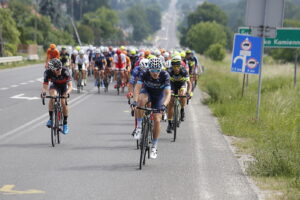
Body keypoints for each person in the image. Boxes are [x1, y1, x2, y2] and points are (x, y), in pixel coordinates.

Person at [131, 57, 171, 159]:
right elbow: (137, 88)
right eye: (153, 70)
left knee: (157, 120)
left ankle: (154, 146)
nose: (155, 73)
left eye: (157, 70)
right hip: (147, 92)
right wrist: (134, 101)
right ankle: (139, 127)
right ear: (149, 69)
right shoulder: (144, 73)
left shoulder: (165, 75)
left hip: (158, 97)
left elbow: (167, 94)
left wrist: (164, 106)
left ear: (160, 69)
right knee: (140, 101)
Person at [41, 58, 72, 134]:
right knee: (52, 97)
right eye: (57, 69)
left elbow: (70, 86)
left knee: (63, 101)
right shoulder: (47, 72)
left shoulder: (65, 71)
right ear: (52, 70)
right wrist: (44, 92)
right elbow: (45, 86)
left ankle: (65, 124)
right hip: (55, 86)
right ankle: (51, 119)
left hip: (64, 87)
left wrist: (67, 93)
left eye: (60, 68)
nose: (60, 70)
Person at [166, 57, 192, 133]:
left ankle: (182, 110)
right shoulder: (169, 71)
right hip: (172, 85)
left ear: (180, 65)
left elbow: (189, 84)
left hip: (181, 84)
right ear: (172, 66)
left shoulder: (184, 71)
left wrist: (188, 93)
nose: (176, 68)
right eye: (174, 66)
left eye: (178, 66)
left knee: (182, 94)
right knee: (170, 102)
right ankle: (169, 124)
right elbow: (166, 84)